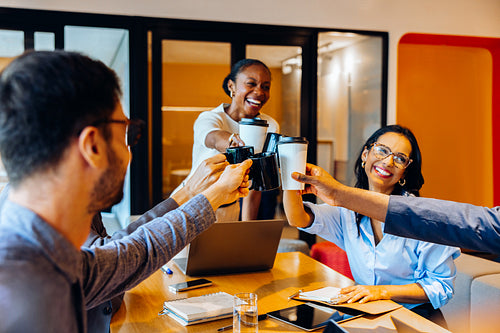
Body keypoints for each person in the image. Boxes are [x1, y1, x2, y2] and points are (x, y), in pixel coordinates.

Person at [0, 50, 252, 332]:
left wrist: (204, 194)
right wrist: (211, 196)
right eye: (129, 133)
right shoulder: (27, 297)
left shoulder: (47, 257)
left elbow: (132, 253)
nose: (131, 151)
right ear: (92, 146)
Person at [0, 153, 228, 333]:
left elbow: (113, 258)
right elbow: (110, 255)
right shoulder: (43, 204)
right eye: (126, 135)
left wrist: (191, 194)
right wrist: (198, 195)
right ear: (90, 141)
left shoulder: (47, 192)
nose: (128, 154)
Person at [283, 125, 459, 326]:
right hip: (368, 313)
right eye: (382, 150)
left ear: (404, 173)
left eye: (400, 158)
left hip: (413, 318)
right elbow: (299, 218)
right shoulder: (348, 212)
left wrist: (380, 292)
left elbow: (441, 286)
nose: (388, 161)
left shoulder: (423, 218)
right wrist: (293, 175)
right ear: (365, 154)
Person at [175, 58, 280, 221]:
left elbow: (254, 187)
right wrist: (232, 142)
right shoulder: (210, 117)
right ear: (231, 86)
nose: (259, 92)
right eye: (251, 84)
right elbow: (213, 137)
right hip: (190, 202)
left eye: (265, 87)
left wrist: (247, 229)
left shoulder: (270, 125)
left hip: (229, 209)